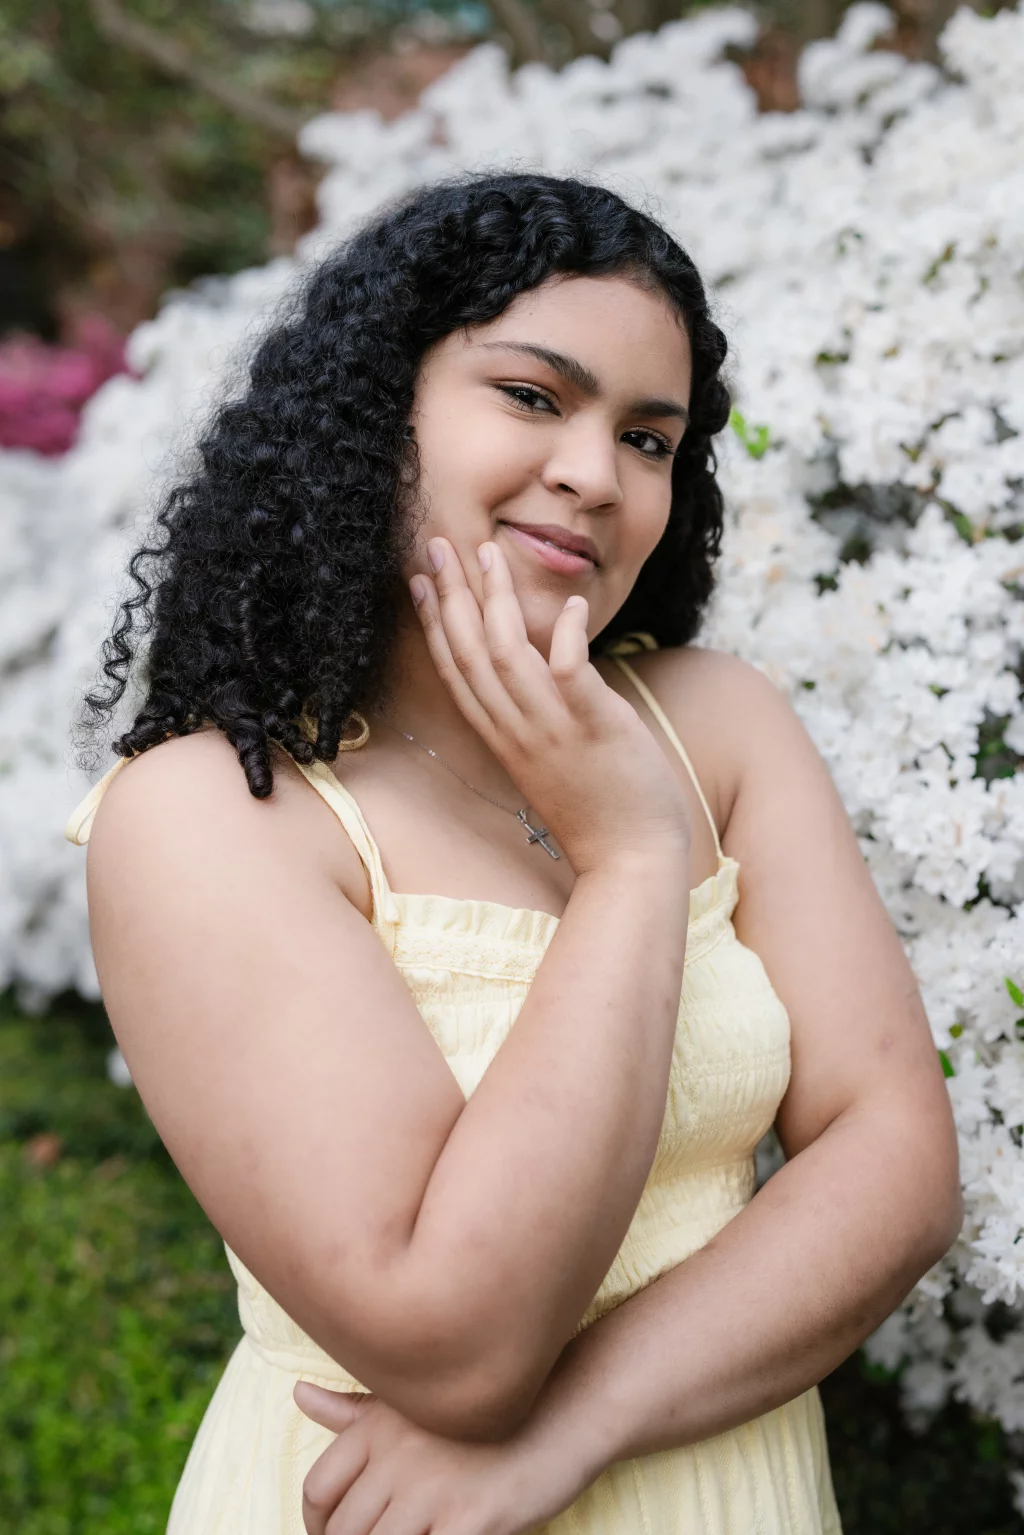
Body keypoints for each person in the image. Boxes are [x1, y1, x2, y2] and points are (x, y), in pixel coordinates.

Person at [65, 172, 961, 1535]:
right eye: (534, 397)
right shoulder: (214, 815)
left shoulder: (715, 723)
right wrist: (631, 862)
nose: (595, 475)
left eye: (651, 439)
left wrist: (582, 1421)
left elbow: (896, 1158)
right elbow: (459, 1340)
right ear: (378, 414)